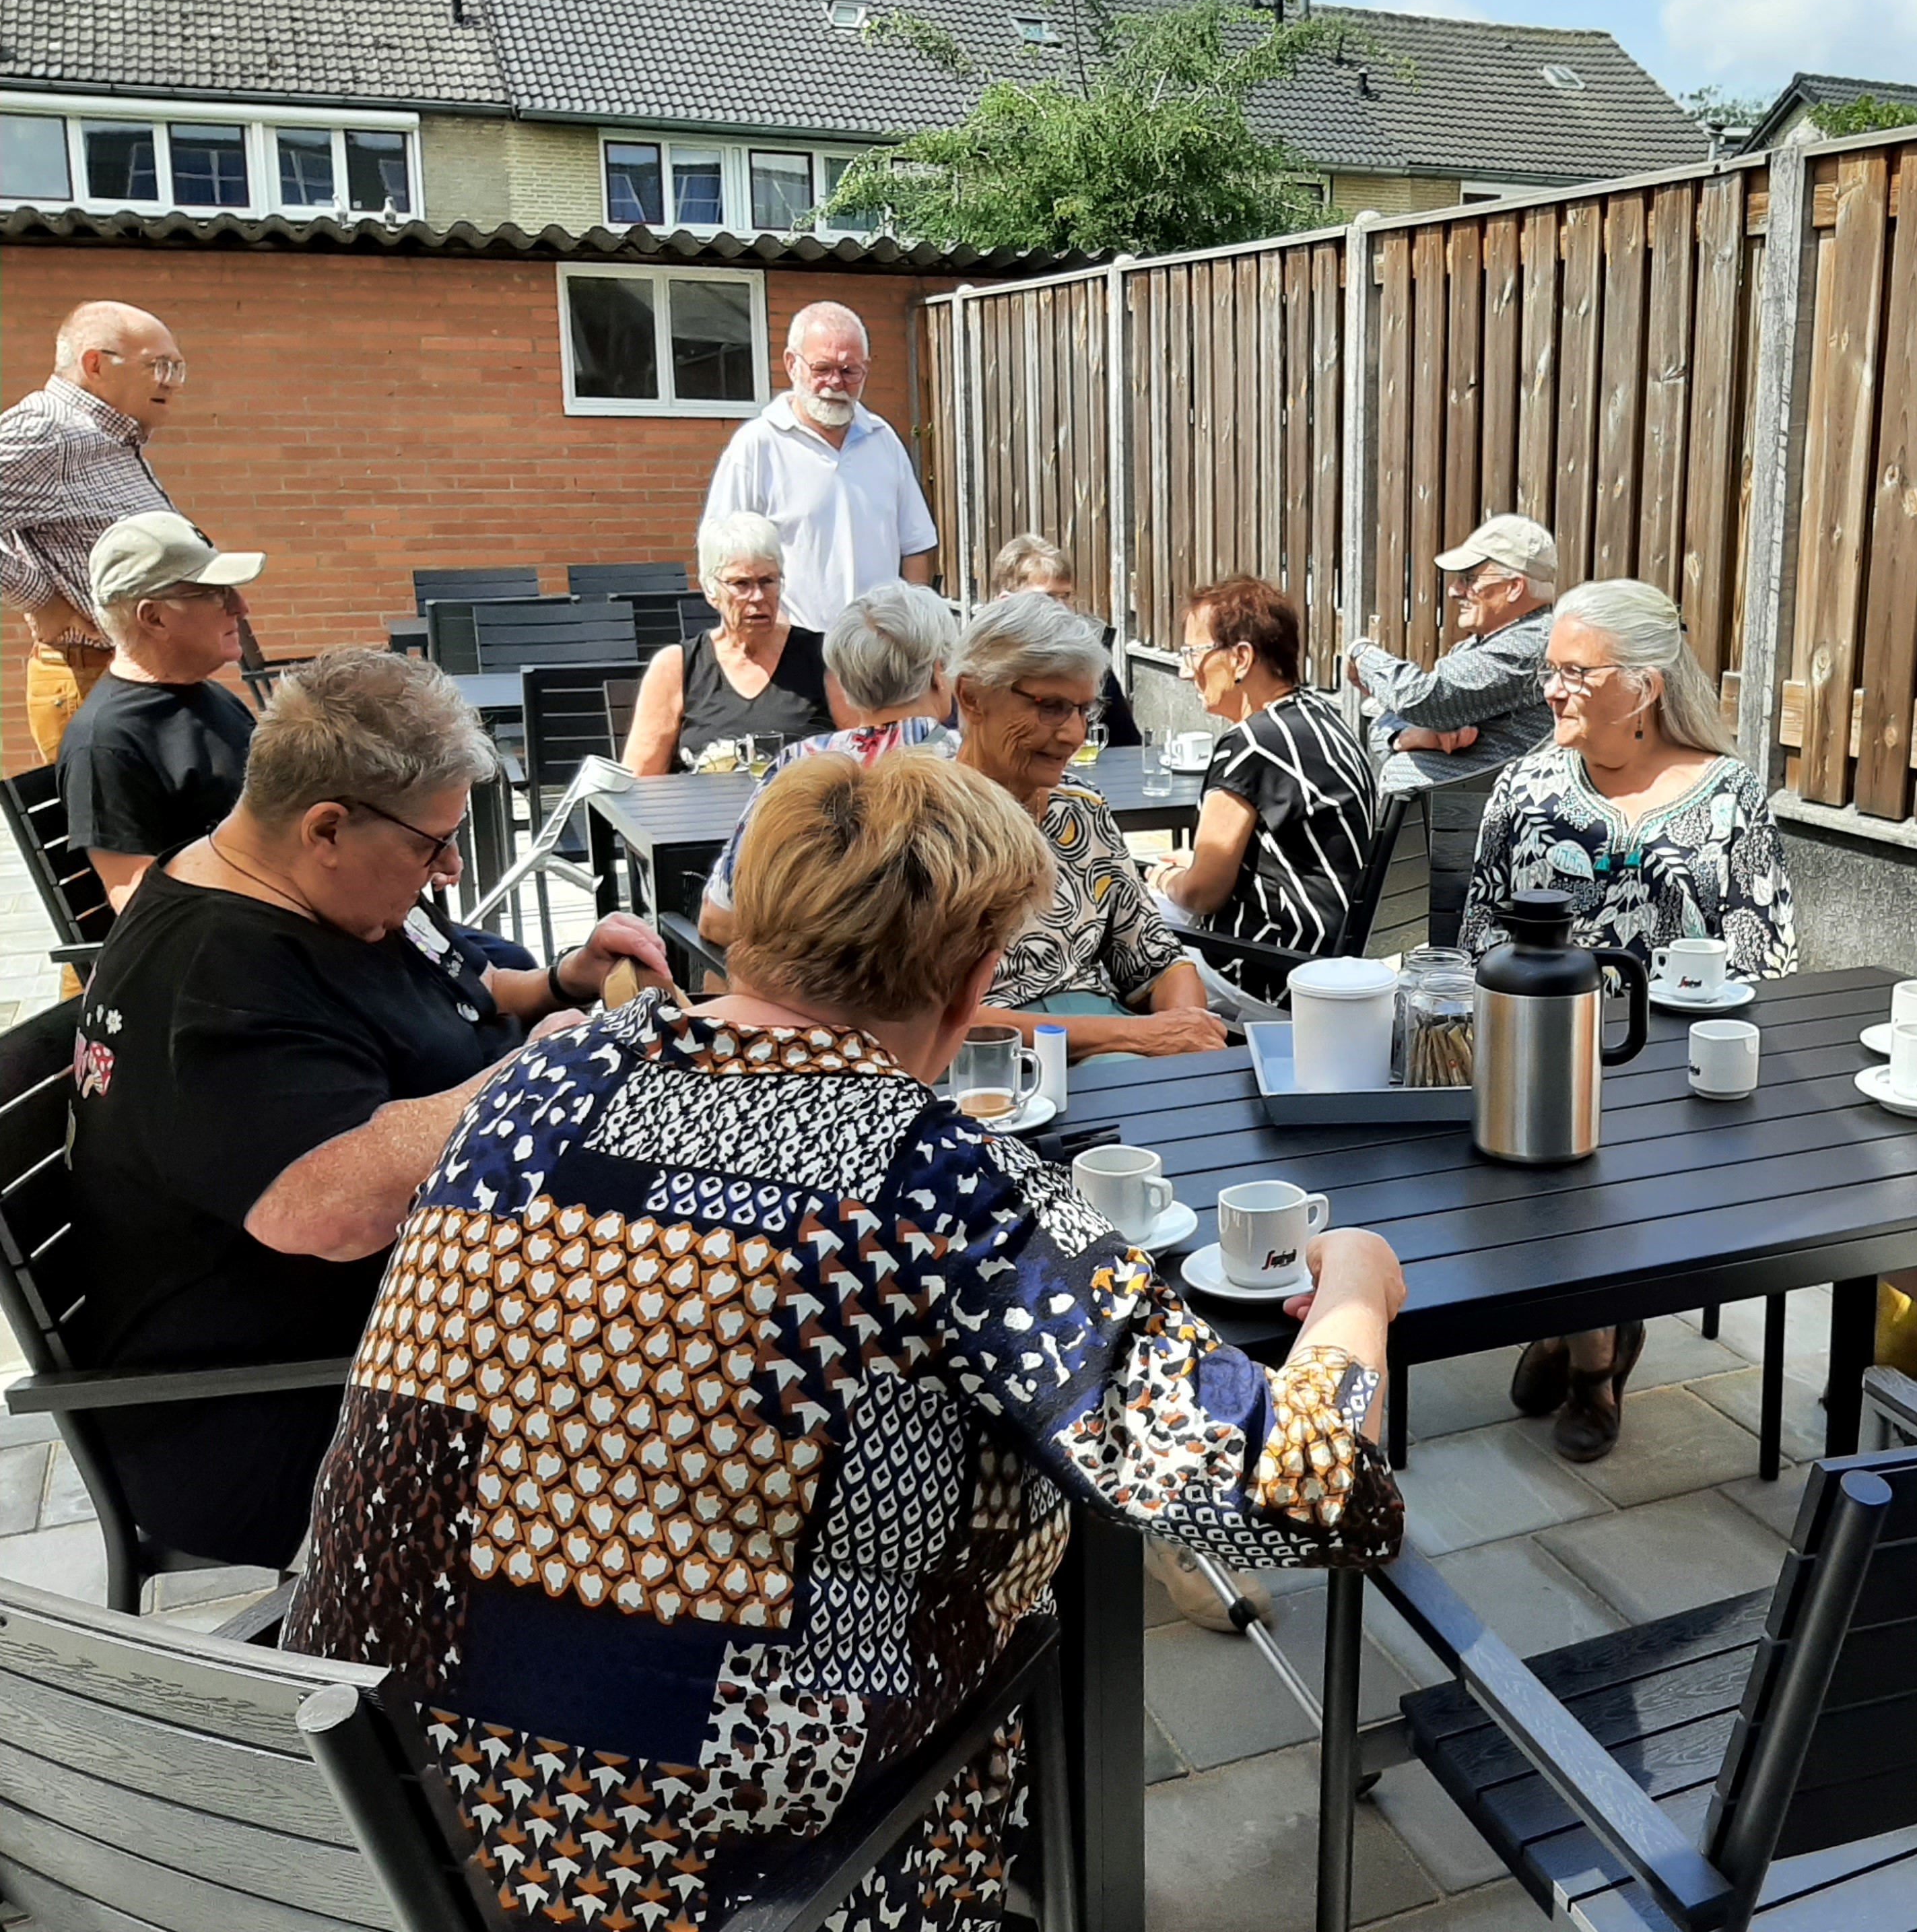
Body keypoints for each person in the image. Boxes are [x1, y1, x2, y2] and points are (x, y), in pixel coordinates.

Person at [283, 749, 1405, 1928]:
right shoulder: (945, 1181)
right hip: (713, 1882)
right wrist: (1355, 1295)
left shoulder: (539, 1078)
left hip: (384, 1821)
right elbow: (1314, 1495)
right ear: (975, 982)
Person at [67, 648, 669, 1570]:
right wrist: (537, 1076)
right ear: (326, 826)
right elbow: (335, 1209)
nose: (451, 872)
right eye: (432, 845)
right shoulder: (219, 978)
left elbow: (456, 987)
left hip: (406, 1329)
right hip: (271, 1411)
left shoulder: (334, 896)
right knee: (680, 1411)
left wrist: (562, 981)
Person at [1460, 578, 1798, 1463]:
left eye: (1576, 672)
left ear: (1644, 685)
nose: (1551, 689)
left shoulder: (1728, 796)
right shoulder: (1526, 785)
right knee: (1547, 1156)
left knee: (1625, 1157)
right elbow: (1478, 938)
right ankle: (1587, 1338)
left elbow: (1767, 951)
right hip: (1544, 1052)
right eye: (1550, 670)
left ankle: (1589, 1355)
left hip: (1676, 1065)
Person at [953, 593, 1225, 1061]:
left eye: (1085, 710)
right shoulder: (918, 826)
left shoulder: (1080, 809)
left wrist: (1185, 1036)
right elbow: (927, 1017)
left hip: (1110, 1052)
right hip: (991, 1071)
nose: (1075, 734)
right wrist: (1136, 1038)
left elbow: (1157, 959)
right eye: (1051, 706)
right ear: (972, 696)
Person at [696, 578, 961, 947]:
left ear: (845, 681)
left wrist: (824, 945)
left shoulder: (798, 764)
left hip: (811, 994)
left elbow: (719, 918)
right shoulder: (967, 765)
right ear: (939, 673)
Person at [1151, 578, 1377, 1007]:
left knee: (1132, 922)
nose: (1184, 671)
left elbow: (1203, 894)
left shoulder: (1252, 745)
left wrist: (1165, 878)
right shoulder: (1323, 722)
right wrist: (1196, 865)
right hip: (1334, 961)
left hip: (1271, 974)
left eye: (1193, 654)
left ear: (1240, 658)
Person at [0, 303, 189, 757]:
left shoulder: (110, 436)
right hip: (95, 680)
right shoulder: (51, 429)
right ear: (95, 365)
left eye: (178, 368)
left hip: (135, 677)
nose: (170, 381)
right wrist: (38, 596)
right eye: (158, 366)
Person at [60, 512, 261, 914]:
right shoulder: (106, 743)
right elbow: (140, 904)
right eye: (216, 593)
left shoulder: (211, 696)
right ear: (154, 617)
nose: (241, 606)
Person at [700, 301, 939, 630]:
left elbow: (916, 547)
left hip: (878, 652)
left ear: (866, 369)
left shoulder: (883, 441)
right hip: (790, 649)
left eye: (849, 371)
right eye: (822, 368)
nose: (835, 382)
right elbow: (720, 557)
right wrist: (773, 640)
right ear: (791, 364)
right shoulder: (758, 446)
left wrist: (914, 627)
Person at [1343, 513, 1557, 792]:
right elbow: (1389, 720)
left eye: (1469, 579)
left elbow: (1420, 700)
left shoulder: (1533, 644)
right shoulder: (1479, 644)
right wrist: (1407, 737)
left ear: (1514, 587)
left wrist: (1362, 654)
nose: (1455, 591)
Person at [621, 511, 834, 774]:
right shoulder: (677, 667)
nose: (757, 596)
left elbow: (866, 753)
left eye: (768, 581)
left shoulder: (825, 658)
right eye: (741, 584)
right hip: (703, 814)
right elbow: (640, 779)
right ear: (711, 590)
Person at [994, 531, 1139, 747]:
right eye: (1048, 598)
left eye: (1066, 596)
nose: (1062, 609)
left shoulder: (1089, 666)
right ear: (1007, 602)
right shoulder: (986, 668)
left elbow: (1128, 745)